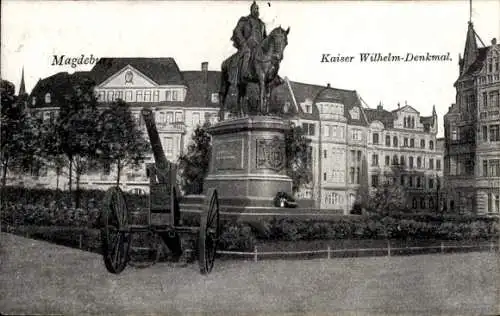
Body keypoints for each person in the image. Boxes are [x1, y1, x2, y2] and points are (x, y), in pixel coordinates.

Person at [231, 1, 267, 83]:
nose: (257, 10)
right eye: (255, 8)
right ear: (251, 10)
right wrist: (243, 42)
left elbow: (265, 38)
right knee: (247, 52)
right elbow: (237, 31)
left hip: (259, 47)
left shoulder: (262, 24)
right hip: (247, 45)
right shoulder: (244, 20)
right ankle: (244, 74)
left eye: (258, 8)